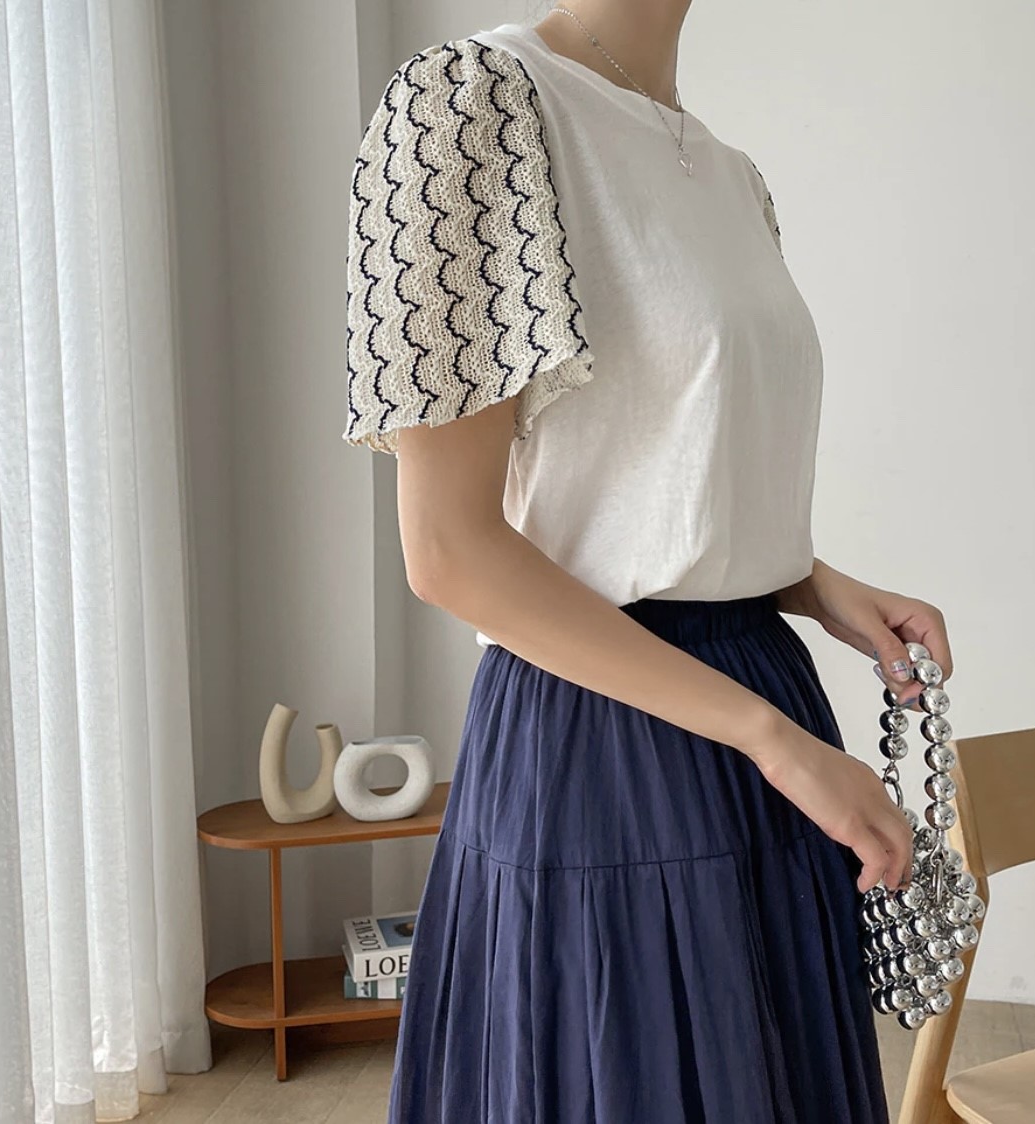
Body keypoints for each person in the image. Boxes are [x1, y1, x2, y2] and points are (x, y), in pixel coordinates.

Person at [342, 2, 953, 1120]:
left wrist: (812, 582)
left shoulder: (730, 173)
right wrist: (775, 744)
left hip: (757, 694)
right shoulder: (468, 105)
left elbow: (660, 464)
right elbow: (450, 551)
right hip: (603, 732)